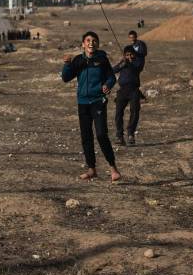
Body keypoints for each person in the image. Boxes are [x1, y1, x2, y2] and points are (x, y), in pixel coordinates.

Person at [61, 32, 122, 182]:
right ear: (83, 44)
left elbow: (111, 77)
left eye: (94, 40)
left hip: (98, 101)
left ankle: (113, 168)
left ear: (98, 44)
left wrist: (108, 85)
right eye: (88, 40)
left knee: (101, 135)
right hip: (82, 102)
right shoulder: (78, 60)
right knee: (86, 136)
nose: (91, 43)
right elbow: (66, 78)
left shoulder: (102, 59)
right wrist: (67, 64)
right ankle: (91, 169)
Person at [112, 46, 144, 145]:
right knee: (118, 113)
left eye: (131, 54)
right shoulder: (123, 62)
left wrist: (129, 63)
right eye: (127, 55)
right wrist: (123, 63)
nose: (129, 56)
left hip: (134, 90)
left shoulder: (138, 62)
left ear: (134, 54)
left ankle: (131, 133)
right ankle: (119, 136)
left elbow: (136, 69)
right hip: (122, 90)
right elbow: (114, 70)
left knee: (134, 112)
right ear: (124, 55)